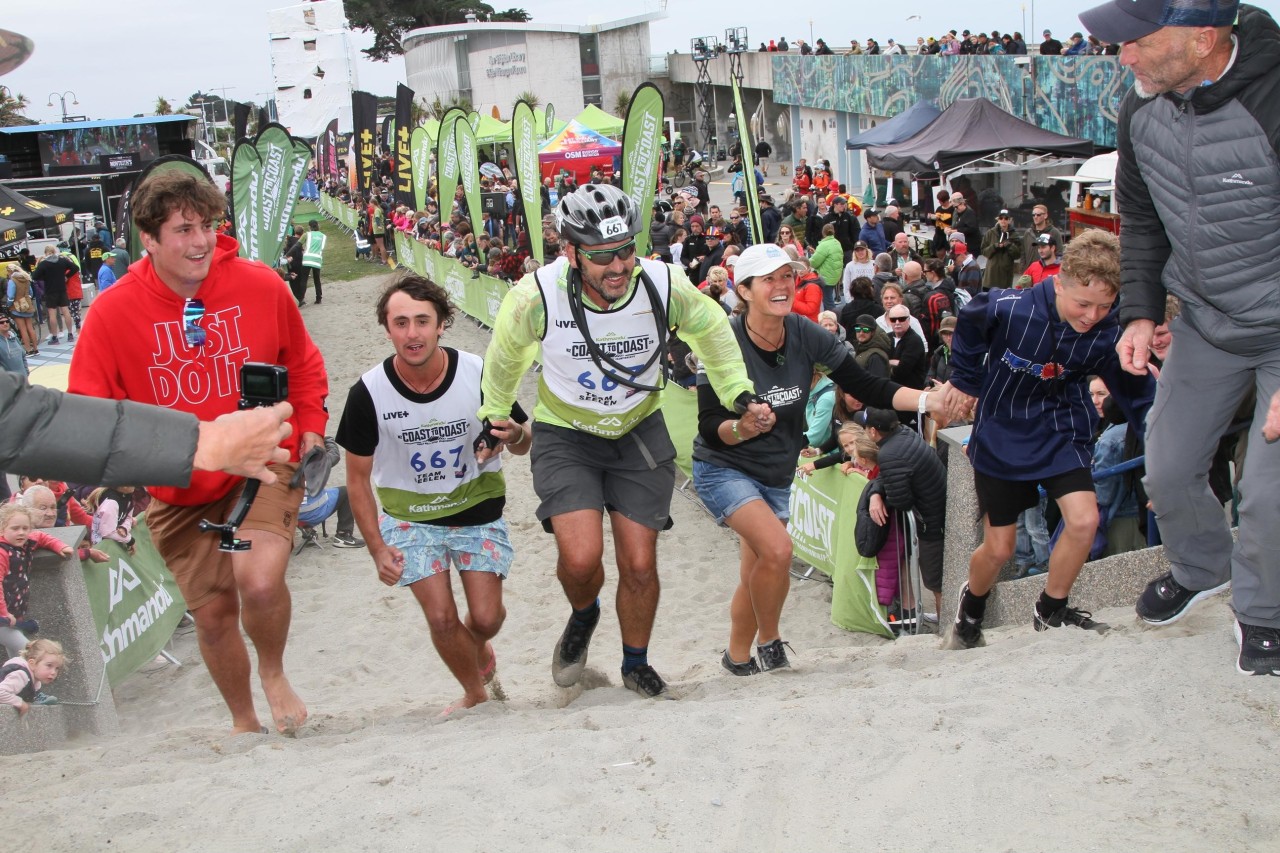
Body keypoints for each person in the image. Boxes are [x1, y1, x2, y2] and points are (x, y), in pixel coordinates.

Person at [67, 168, 329, 736]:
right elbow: (88, 410)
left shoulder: (260, 284)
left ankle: (275, 673)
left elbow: (303, 363)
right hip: (180, 486)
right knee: (212, 618)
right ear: (150, 239)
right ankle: (244, 723)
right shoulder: (112, 312)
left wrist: (309, 427)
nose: (201, 241)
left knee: (259, 581)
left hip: (263, 463)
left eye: (208, 225)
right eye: (184, 229)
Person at [480, 183, 763, 698]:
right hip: (567, 435)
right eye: (601, 255)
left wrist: (737, 392)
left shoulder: (661, 282)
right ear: (570, 251)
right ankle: (583, 615)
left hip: (639, 429)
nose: (618, 266)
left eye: (626, 249)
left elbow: (713, 330)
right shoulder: (535, 296)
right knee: (583, 559)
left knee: (638, 562)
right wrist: (494, 413)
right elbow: (504, 358)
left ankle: (636, 663)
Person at [1079, 0, 1280, 675]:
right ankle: (1202, 567)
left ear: (1202, 38)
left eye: (1135, 42)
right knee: (1165, 463)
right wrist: (1139, 311)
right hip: (1206, 321)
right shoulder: (1142, 106)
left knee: (1270, 494)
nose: (1123, 59)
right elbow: (1139, 217)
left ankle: (1264, 613)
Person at [691, 243, 948, 675]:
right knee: (777, 550)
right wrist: (744, 427)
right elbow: (707, 422)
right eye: (769, 279)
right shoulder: (723, 339)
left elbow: (866, 385)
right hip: (724, 466)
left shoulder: (806, 331)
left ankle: (736, 658)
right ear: (745, 289)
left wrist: (926, 400)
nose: (782, 285)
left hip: (775, 472)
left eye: (788, 276)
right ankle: (770, 643)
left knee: (757, 568)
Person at [939, 229, 1154, 650]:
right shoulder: (1011, 307)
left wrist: (1163, 459)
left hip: (1063, 430)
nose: (1093, 315)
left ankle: (1051, 608)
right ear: (1059, 282)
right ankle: (971, 607)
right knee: (999, 548)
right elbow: (968, 318)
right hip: (1001, 431)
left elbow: (1139, 399)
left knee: (1084, 520)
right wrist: (964, 379)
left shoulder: (1110, 332)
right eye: (1083, 303)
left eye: (1105, 305)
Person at [339, 274, 529, 713]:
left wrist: (515, 433)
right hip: (411, 518)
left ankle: (477, 646)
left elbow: (521, 443)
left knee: (486, 619)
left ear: (442, 323)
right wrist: (376, 548)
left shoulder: (480, 372)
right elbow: (356, 480)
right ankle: (475, 693)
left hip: (477, 509)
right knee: (442, 617)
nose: (412, 333)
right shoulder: (368, 393)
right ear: (387, 329)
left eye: (422, 321)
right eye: (400, 322)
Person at [0, 504, 74, 658]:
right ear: (2, 530)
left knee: (17, 658)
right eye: (15, 528)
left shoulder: (27, 542)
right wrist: (4, 612)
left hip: (15, 613)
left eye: (25, 528)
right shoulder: (2, 552)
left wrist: (60, 546)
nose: (21, 532)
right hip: (3, 617)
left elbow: (41, 536)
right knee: (29, 653)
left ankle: (18, 680)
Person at [0, 638, 66, 715]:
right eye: (49, 665)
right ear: (32, 663)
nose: (53, 672)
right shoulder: (21, 675)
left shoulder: (34, 678)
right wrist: (19, 703)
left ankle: (36, 696)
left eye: (57, 668)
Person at [32, 246, 74, 346]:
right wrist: (66, 276)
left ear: (46, 253)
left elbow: (34, 276)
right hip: (62, 289)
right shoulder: (62, 261)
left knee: (52, 314)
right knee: (66, 311)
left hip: (50, 290)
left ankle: (54, 337)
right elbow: (75, 268)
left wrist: (45, 277)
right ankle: (70, 334)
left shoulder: (44, 264)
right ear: (54, 251)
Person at [301, 219, 327, 304]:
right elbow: (321, 247)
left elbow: (299, 244)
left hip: (308, 259)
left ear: (309, 227)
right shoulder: (323, 236)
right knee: (317, 279)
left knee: (304, 279)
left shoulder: (307, 234)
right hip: (317, 259)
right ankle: (318, 297)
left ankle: (301, 298)